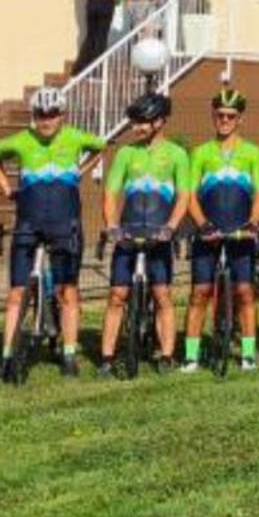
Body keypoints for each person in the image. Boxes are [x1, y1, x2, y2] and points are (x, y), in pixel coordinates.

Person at [0, 85, 106, 380]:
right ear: (33, 115)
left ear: (62, 114)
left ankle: (69, 354)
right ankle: (7, 355)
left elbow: (101, 146)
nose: (46, 120)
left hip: (66, 225)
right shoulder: (20, 140)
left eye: (52, 114)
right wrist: (6, 189)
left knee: (67, 291)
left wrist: (80, 171)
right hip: (28, 224)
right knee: (17, 293)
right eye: (40, 114)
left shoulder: (76, 137)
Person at [97, 92, 192, 376]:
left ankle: (166, 355)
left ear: (159, 121)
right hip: (128, 232)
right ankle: (106, 358)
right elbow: (111, 193)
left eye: (141, 122)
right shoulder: (126, 153)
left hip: (159, 233)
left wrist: (171, 227)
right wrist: (112, 225)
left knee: (162, 294)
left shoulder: (176, 154)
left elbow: (184, 196)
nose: (135, 127)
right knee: (117, 294)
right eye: (134, 122)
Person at [182, 88, 259, 373]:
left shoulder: (252, 152)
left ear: (240, 119)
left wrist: (253, 222)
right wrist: (202, 224)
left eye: (231, 116)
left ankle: (248, 355)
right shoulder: (201, 152)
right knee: (200, 292)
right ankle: (191, 357)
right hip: (208, 230)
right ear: (213, 116)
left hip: (241, 230)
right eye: (220, 115)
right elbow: (190, 194)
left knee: (245, 292)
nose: (225, 120)